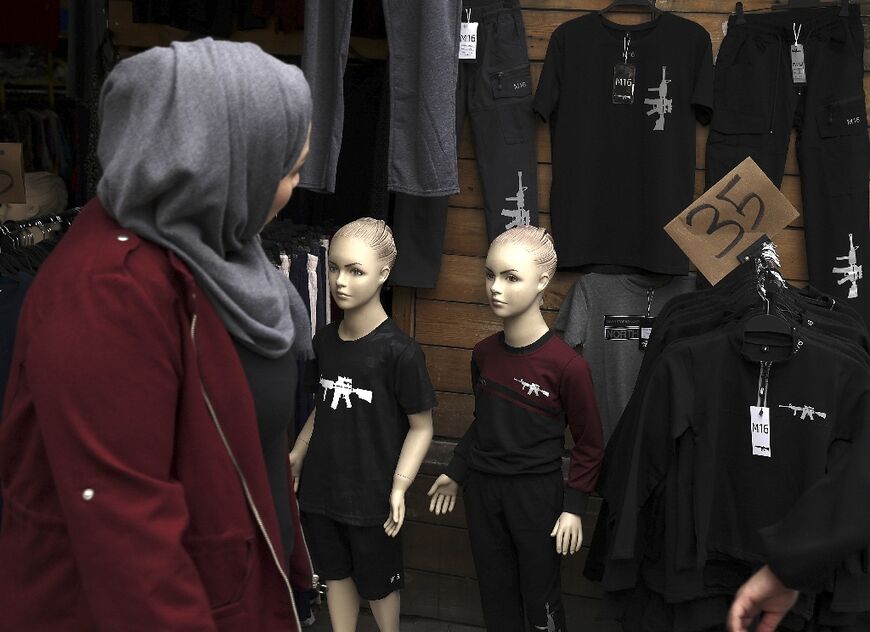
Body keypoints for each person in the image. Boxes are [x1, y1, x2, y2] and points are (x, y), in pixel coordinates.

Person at [0, 39, 315, 630]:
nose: (298, 185)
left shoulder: (217, 251)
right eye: (289, 169)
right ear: (218, 164)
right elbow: (127, 541)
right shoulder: (107, 295)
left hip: (242, 594)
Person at [427, 226, 604, 632]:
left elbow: (590, 444)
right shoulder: (484, 353)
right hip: (483, 492)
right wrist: (456, 471)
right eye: (490, 275)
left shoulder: (567, 367)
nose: (495, 288)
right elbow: (485, 422)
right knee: (495, 594)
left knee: (541, 598)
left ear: (542, 281)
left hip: (536, 496)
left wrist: (574, 506)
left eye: (511, 277)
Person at [289, 218, 436, 632]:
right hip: (321, 489)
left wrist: (400, 485)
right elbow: (324, 404)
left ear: (383, 274)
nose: (340, 281)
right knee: (335, 575)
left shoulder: (401, 353)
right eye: (334, 268)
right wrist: (299, 452)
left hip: (372, 496)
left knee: (379, 584)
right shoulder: (324, 341)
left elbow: (422, 426)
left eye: (356, 271)